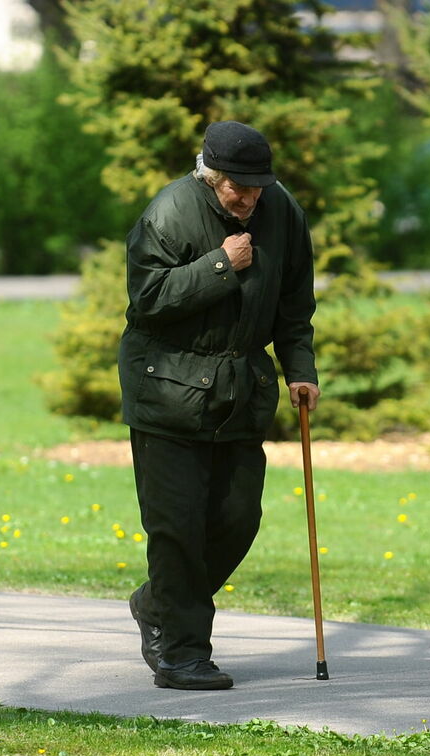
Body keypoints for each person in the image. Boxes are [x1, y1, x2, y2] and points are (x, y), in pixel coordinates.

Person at [119, 120, 320, 690]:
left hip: (238, 395)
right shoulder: (169, 213)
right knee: (177, 529)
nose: (251, 198)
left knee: (237, 520)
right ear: (211, 176)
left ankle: (158, 603)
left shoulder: (282, 212)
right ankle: (182, 655)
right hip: (166, 392)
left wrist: (300, 371)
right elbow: (147, 301)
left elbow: (294, 303)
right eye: (240, 187)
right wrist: (218, 266)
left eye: (260, 186)